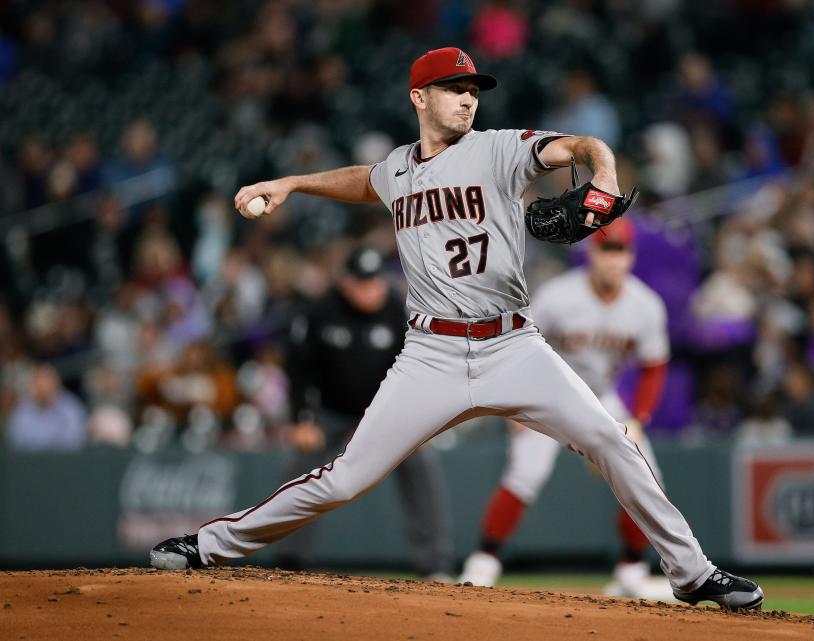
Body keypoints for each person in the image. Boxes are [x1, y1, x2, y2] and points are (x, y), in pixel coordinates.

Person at [150, 47, 763, 610]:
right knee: (343, 480)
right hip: (431, 353)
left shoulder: (497, 148)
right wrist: (290, 183)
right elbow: (363, 180)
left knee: (612, 443)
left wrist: (601, 176)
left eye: (473, 88)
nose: (469, 98)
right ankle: (206, 546)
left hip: (513, 344)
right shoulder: (398, 170)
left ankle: (692, 573)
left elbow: (581, 145)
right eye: (453, 88)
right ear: (419, 98)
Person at [458, 218, 674, 598]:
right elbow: (519, 346)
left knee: (646, 475)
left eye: (620, 250)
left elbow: (653, 369)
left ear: (631, 256)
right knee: (525, 474)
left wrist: (637, 420)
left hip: (599, 396)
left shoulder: (645, 305)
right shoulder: (559, 296)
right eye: (606, 250)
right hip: (550, 392)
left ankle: (631, 569)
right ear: (590, 253)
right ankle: (483, 562)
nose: (613, 259)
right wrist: (516, 404)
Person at [278, 245, 454, 579]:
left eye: (374, 281)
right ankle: (290, 561)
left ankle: (435, 565)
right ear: (345, 281)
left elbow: (421, 368)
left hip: (384, 412)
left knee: (420, 465)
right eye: (361, 282)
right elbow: (298, 368)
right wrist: (301, 418)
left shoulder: (396, 310)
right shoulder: (321, 311)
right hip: (331, 411)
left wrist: (421, 421)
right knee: (301, 469)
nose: (369, 289)